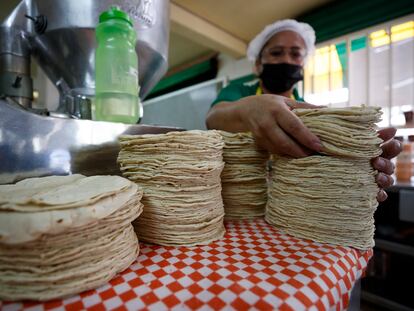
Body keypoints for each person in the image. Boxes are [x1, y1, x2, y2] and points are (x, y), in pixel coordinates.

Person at [206, 19, 401, 202]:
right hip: (235, 202)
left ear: (303, 63)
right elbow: (214, 118)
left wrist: (357, 163)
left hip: (288, 205)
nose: (286, 59)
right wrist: (250, 110)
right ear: (258, 64)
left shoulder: (309, 113)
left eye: (295, 53)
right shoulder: (239, 92)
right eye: (276, 53)